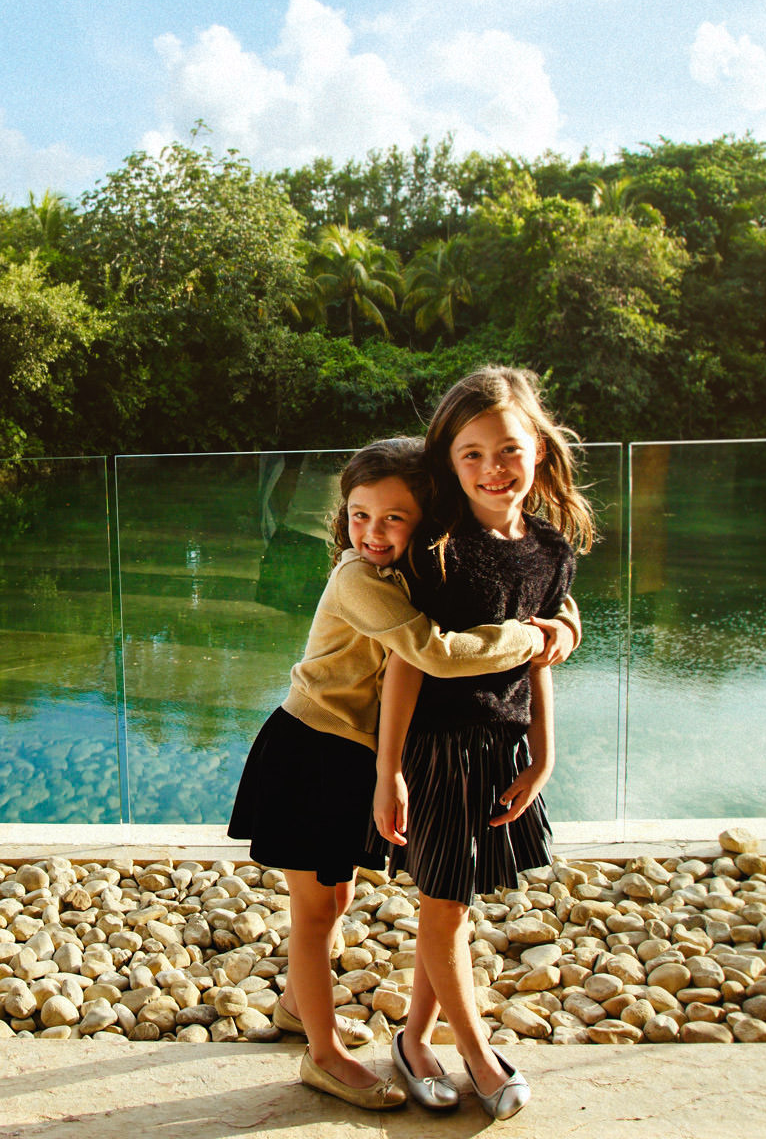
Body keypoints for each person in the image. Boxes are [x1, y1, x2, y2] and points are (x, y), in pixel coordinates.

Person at [227, 435, 580, 1111]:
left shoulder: (411, 573)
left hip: (351, 754)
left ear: (423, 520)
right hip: (310, 748)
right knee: (311, 909)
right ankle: (323, 1056)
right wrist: (533, 637)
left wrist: (565, 616)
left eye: (393, 517)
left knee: (336, 899)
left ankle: (301, 1011)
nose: (373, 532)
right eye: (359, 515)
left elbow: (511, 585)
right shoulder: (358, 578)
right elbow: (433, 652)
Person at [374, 367, 595, 1120]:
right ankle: (478, 1056)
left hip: (499, 751)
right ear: (448, 460)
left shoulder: (550, 551)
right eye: (470, 455)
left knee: (454, 905)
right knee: (444, 908)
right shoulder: (439, 549)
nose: (491, 470)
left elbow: (538, 657)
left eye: (507, 450)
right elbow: (406, 662)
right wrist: (389, 769)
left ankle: (411, 1043)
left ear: (539, 448)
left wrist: (544, 753)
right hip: (435, 749)